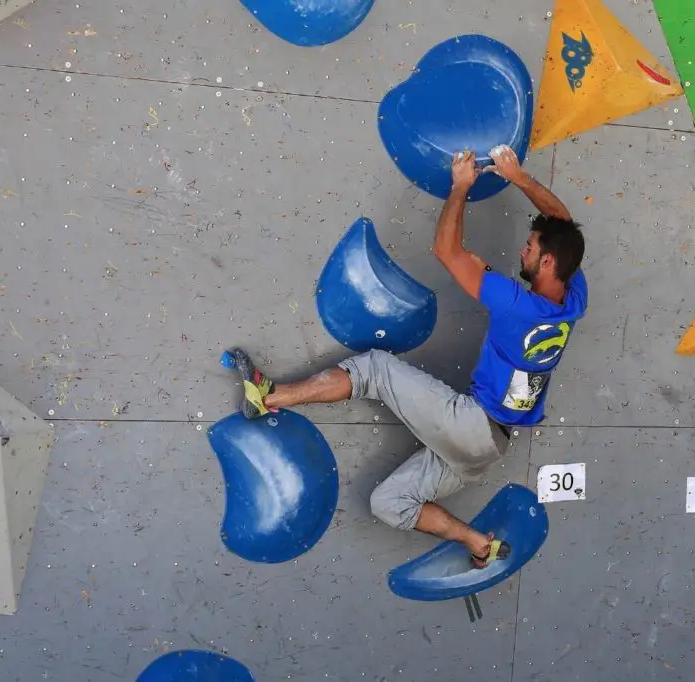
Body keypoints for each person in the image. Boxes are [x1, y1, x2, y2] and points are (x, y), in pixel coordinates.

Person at [225, 145, 588, 568]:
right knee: (390, 501)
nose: (521, 253)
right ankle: (476, 543)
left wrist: (460, 187)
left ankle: (267, 398)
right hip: (489, 450)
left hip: (473, 426)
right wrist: (519, 177)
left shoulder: (515, 304)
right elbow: (565, 227)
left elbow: (447, 250)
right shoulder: (572, 300)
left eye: (528, 247)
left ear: (546, 261)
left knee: (375, 369)